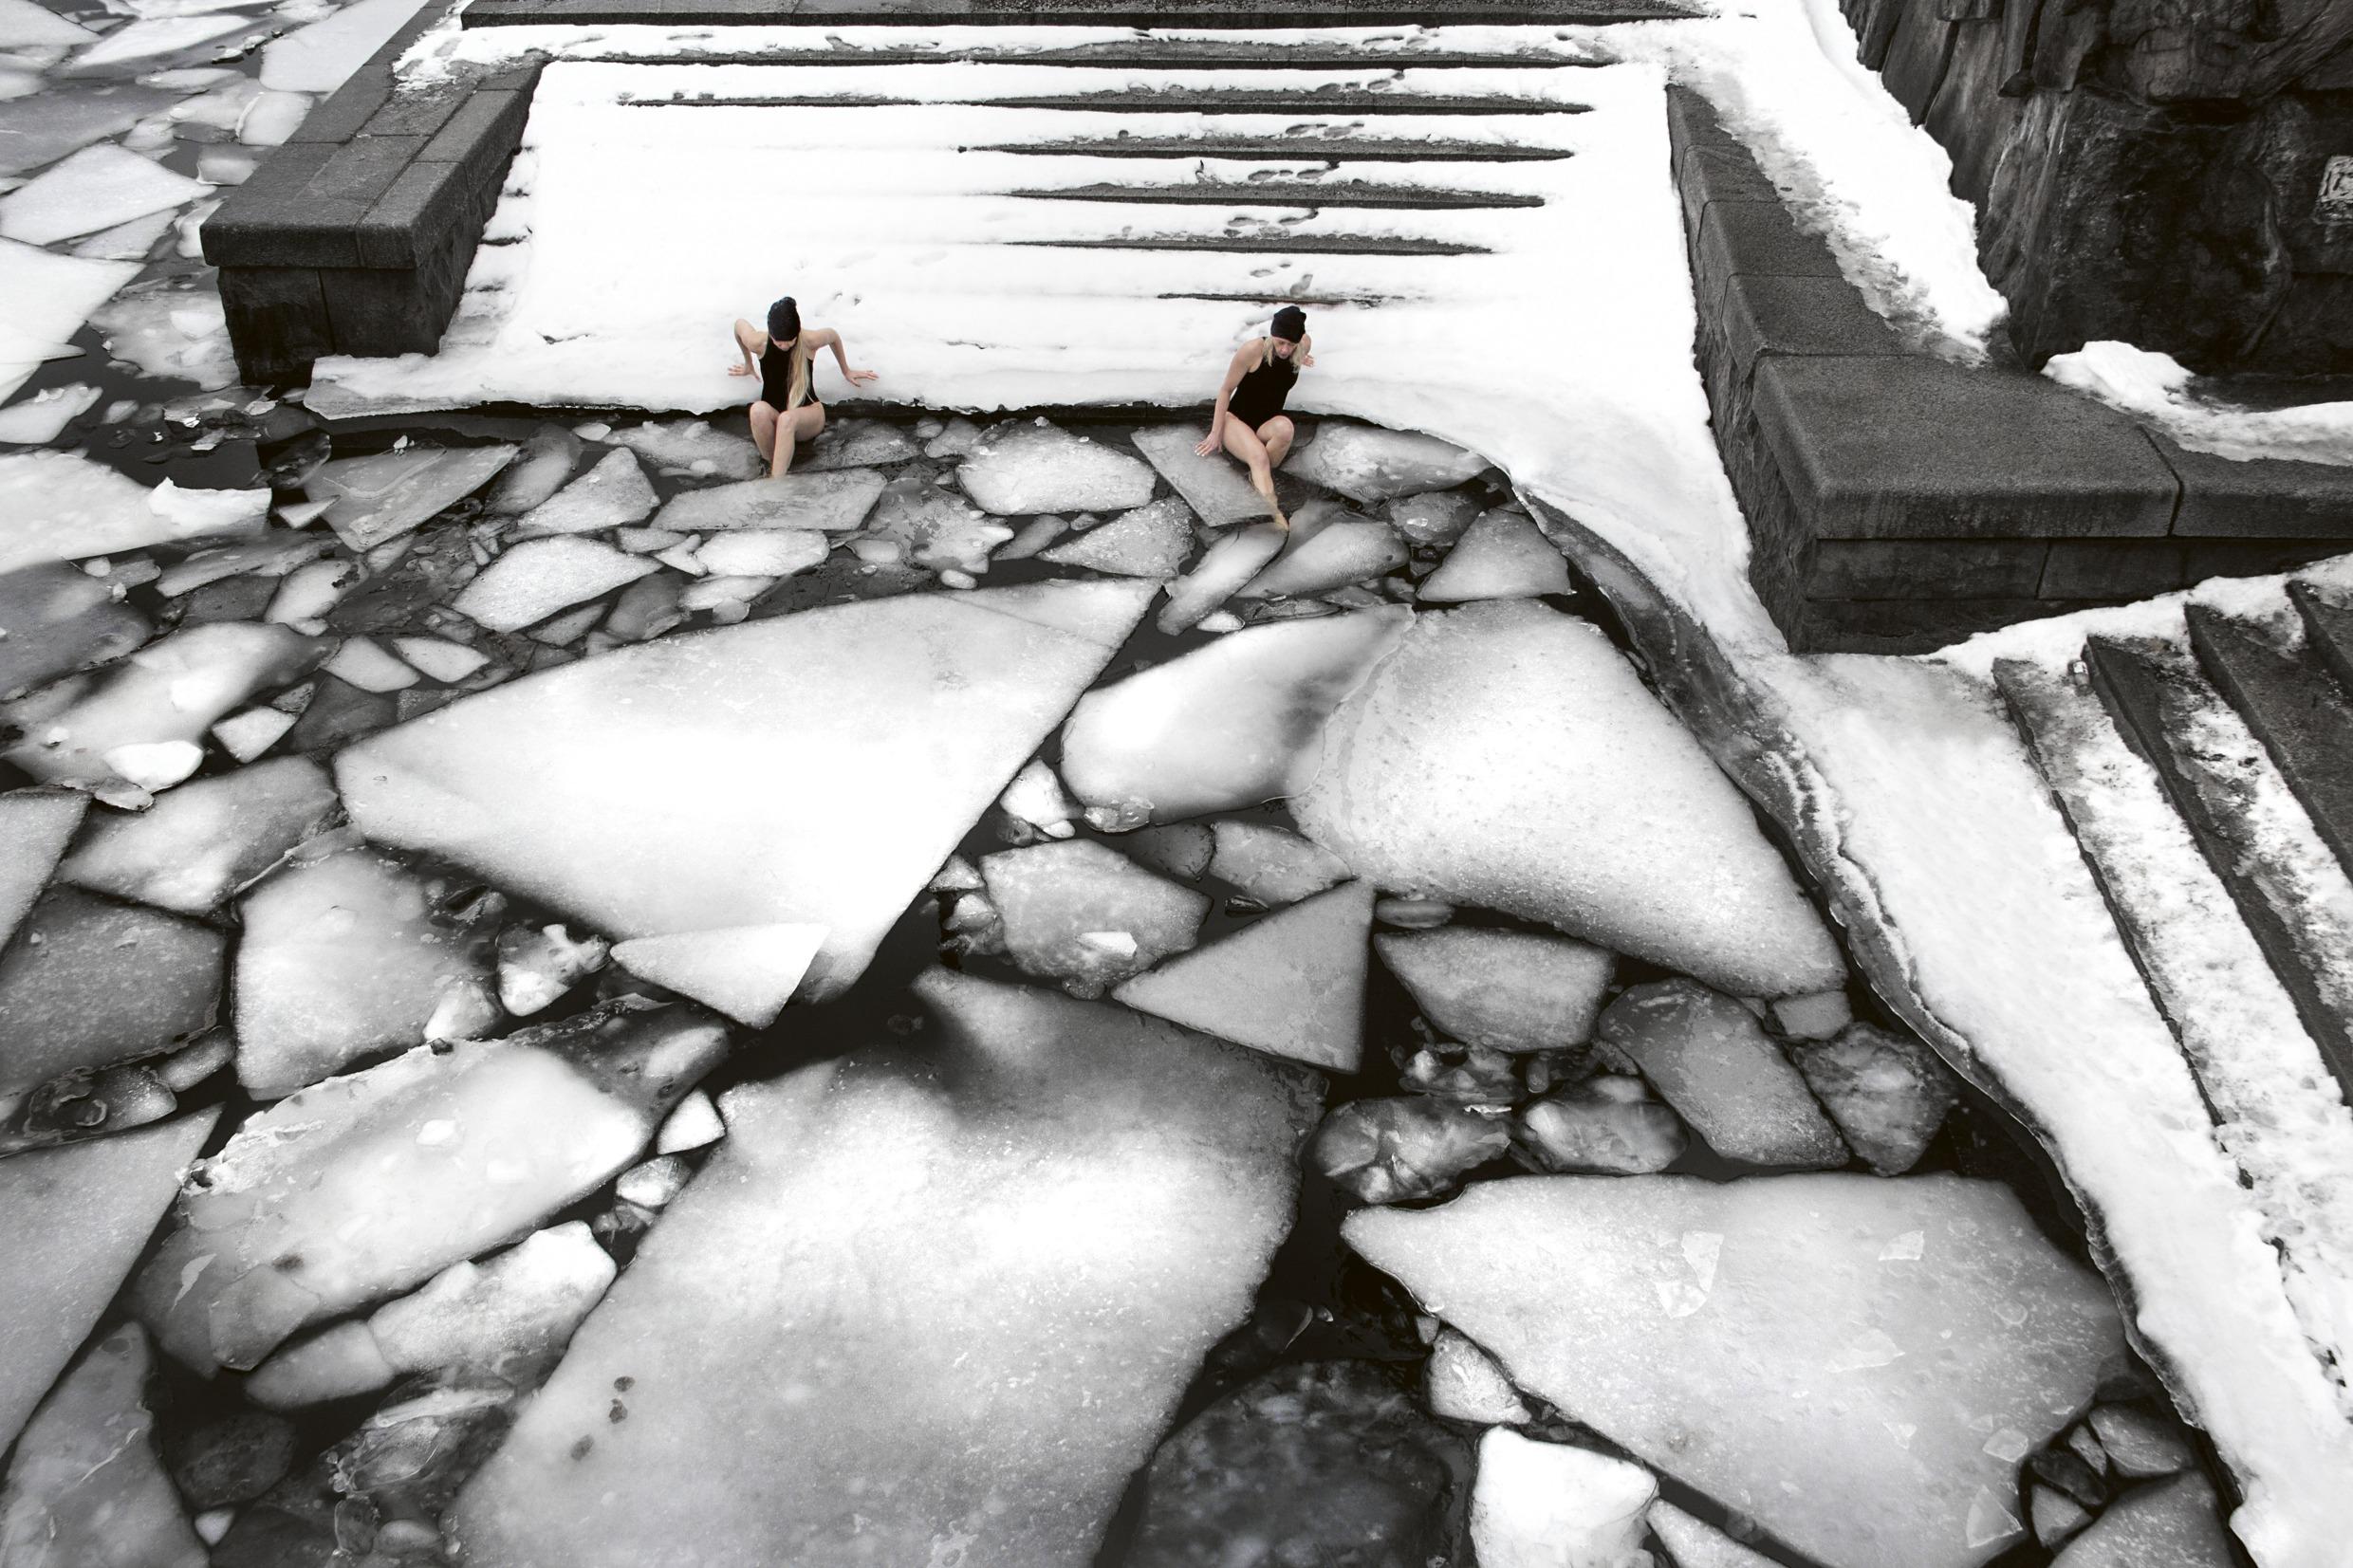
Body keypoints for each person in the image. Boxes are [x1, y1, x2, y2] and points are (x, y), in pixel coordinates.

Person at [727, 297, 877, 479]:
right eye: (778, 341)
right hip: (775, 413)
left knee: (787, 419)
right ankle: (772, 465)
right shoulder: (759, 342)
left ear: (797, 333)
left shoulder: (809, 341)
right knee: (757, 410)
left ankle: (776, 483)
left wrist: (846, 370)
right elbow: (739, 325)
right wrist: (748, 364)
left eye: (789, 341)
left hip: (808, 415)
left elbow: (833, 336)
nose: (783, 346)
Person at [1195, 305, 1313, 528]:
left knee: (1285, 428)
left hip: (1265, 425)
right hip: (1236, 421)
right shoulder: (1252, 351)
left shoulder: (1302, 344)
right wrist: (1215, 433)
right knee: (1259, 458)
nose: (1285, 350)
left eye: (1291, 344)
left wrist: (1302, 356)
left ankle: (1258, 476)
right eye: (1280, 342)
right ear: (1272, 334)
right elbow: (1225, 390)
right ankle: (1274, 512)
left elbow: (1304, 340)